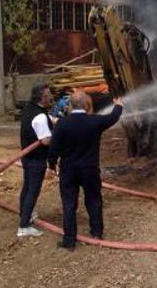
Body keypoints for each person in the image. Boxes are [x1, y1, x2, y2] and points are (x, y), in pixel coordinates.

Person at [48, 90, 123, 250]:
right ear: (87, 105)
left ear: (70, 105)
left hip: (68, 170)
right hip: (90, 170)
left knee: (69, 204)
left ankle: (69, 241)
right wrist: (118, 106)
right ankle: (96, 233)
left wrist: (52, 165)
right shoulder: (95, 121)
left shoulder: (62, 123)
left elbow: (53, 149)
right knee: (94, 200)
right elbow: (113, 117)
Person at [17, 83, 55, 237]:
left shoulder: (29, 108)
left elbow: (42, 120)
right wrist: (59, 134)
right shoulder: (40, 117)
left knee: (27, 188)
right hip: (36, 160)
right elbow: (46, 140)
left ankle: (25, 214)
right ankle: (24, 226)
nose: (51, 97)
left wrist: (53, 120)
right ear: (43, 97)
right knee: (33, 190)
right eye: (49, 95)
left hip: (27, 157)